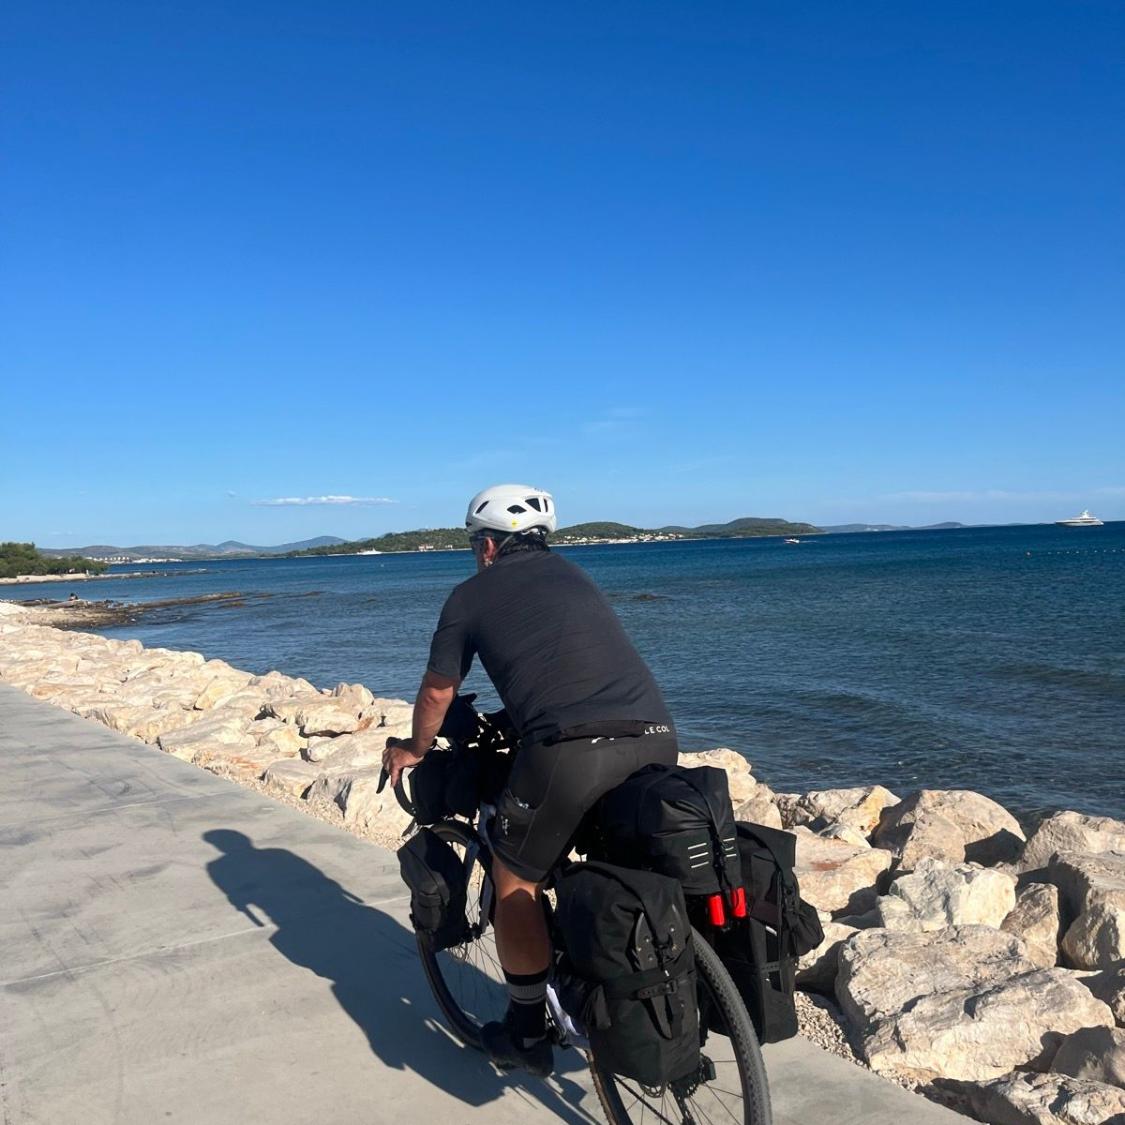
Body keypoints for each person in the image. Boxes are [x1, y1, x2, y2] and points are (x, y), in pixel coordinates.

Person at [383, 483, 678, 1077]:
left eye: (474, 544)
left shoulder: (470, 596)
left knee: (515, 878)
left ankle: (525, 1031)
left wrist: (414, 747)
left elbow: (438, 689)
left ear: (488, 546)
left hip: (571, 754)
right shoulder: (577, 577)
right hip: (656, 737)